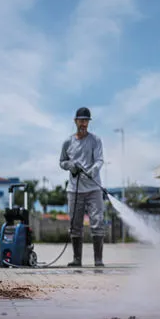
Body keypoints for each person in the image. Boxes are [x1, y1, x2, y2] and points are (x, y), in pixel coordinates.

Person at [59, 107, 106, 267]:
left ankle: (98, 260)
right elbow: (62, 162)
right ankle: (77, 259)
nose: (83, 123)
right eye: (81, 120)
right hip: (75, 190)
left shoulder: (95, 140)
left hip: (94, 189)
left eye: (86, 121)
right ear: (75, 121)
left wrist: (93, 170)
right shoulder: (67, 142)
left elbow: (99, 159)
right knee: (75, 224)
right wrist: (71, 166)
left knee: (97, 222)